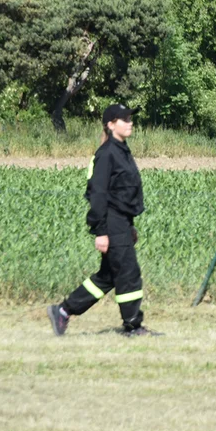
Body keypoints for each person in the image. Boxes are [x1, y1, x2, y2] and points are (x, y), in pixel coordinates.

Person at [48, 103, 156, 337]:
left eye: (130, 118)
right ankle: (132, 325)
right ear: (110, 124)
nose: (130, 122)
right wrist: (101, 231)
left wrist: (130, 226)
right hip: (111, 222)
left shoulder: (121, 150)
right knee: (128, 274)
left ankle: (63, 311)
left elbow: (122, 192)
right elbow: (98, 195)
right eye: (124, 119)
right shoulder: (107, 154)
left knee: (107, 276)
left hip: (122, 222)